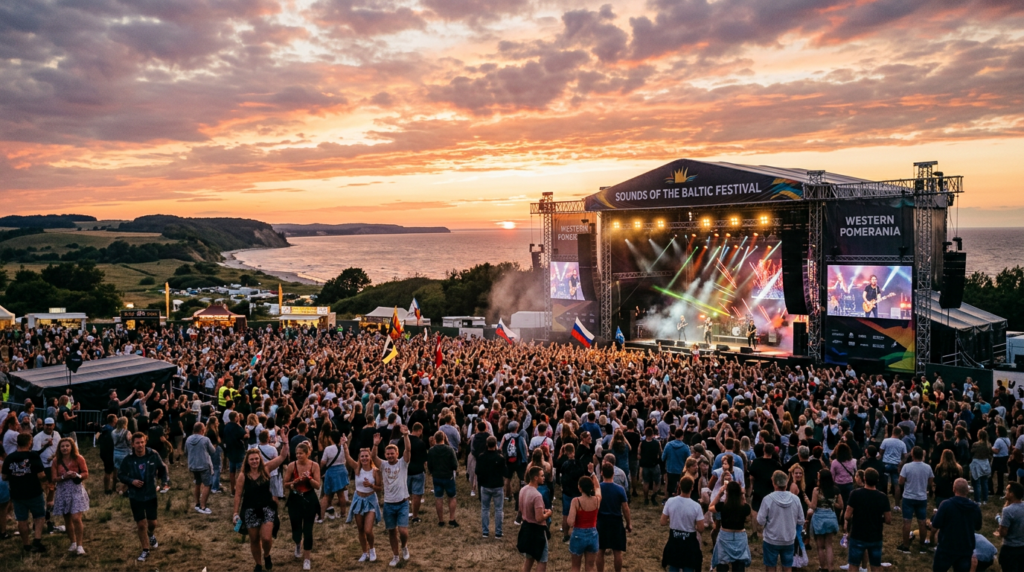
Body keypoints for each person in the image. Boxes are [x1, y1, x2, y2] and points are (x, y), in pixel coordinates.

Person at [233, 442, 289, 572]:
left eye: (256, 459)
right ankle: (258, 564)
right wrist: (235, 513)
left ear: (260, 459)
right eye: (252, 459)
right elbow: (238, 495)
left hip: (267, 508)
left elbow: (282, 457)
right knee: (254, 539)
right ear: (247, 461)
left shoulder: (266, 469)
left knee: (266, 538)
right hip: (250, 509)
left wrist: (285, 442)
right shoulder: (243, 476)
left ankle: (267, 555)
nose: (254, 461)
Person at [117, 432, 169, 562]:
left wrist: (165, 482)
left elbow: (162, 469)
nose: (140, 445)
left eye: (142, 442)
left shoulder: (153, 454)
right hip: (135, 496)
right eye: (137, 443)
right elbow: (121, 474)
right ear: (132, 445)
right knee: (141, 524)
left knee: (152, 523)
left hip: (150, 493)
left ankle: (151, 534)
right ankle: (145, 550)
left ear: (145, 442)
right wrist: (131, 481)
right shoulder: (128, 458)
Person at [372, 425, 413, 567]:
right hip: (389, 503)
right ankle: (395, 555)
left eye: (392, 453)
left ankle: (404, 546)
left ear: (397, 454)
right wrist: (375, 445)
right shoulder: (383, 465)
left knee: (402, 531)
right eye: (387, 454)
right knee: (391, 531)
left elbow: (408, 450)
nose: (390, 456)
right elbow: (373, 457)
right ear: (385, 455)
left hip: (402, 502)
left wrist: (406, 435)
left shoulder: (403, 463)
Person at [1, 432, 47, 554]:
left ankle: (26, 545)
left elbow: (4, 477)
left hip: (17, 493)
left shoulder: (10, 458)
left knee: (22, 519)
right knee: (39, 516)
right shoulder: (33, 456)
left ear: (17, 442)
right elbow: (41, 475)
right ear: (29, 442)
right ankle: (37, 540)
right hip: (34, 491)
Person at [844, 468, 891, 572]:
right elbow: (888, 519)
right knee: (875, 565)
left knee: (853, 565)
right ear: (877, 480)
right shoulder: (883, 497)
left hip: (858, 535)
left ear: (864, 478)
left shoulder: (855, 494)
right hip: (875, 536)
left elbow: (847, 516)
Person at [283, 441, 321, 570]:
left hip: (309, 499)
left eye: (301, 453)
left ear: (308, 453)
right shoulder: (291, 465)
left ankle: (307, 558)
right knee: (296, 528)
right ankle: (298, 542)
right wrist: (293, 483)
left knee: (308, 530)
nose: (298, 456)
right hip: (295, 499)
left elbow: (318, 485)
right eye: (297, 453)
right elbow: (285, 484)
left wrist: (309, 479)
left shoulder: (314, 465)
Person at [757, 470, 804, 572]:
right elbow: (801, 520)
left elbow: (760, 520)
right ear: (786, 483)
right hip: (789, 538)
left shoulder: (768, 499)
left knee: (770, 566)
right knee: (787, 566)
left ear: (773, 482)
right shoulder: (795, 499)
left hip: (771, 538)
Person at [931, 478, 982, 572]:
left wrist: (935, 515)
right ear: (967, 491)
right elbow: (978, 527)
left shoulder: (946, 505)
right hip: (965, 548)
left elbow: (935, 524)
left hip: (946, 547)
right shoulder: (974, 508)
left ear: (953, 489)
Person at [345, 436, 382, 562]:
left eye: (367, 456)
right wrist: (345, 444)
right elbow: (347, 457)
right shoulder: (357, 468)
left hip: (371, 500)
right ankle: (364, 552)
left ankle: (372, 549)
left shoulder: (375, 471)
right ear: (359, 458)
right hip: (358, 499)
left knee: (368, 529)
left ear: (370, 457)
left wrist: (371, 485)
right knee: (360, 529)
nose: (364, 458)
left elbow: (379, 488)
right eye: (362, 456)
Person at [52, 436, 89, 555]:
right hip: (62, 491)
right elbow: (53, 478)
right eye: (62, 446)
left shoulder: (78, 458)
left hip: (76, 489)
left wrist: (77, 475)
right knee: (67, 518)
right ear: (59, 448)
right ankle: (72, 542)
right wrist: (63, 477)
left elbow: (85, 473)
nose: (65, 448)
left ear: (72, 447)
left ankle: (80, 545)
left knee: (76, 518)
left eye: (67, 446)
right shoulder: (56, 461)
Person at [661, 475, 705, 572]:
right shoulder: (696, 506)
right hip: (689, 541)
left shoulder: (670, 501)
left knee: (673, 566)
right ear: (692, 488)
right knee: (688, 566)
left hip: (674, 539)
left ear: (679, 486)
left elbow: (663, 522)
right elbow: (701, 528)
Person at [896, 446, 933, 554]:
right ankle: (922, 546)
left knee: (907, 522)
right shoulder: (927, 467)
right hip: (921, 497)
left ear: (912, 455)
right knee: (922, 522)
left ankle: (906, 545)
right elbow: (931, 482)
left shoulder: (907, 467)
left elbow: (901, 481)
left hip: (908, 497)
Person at [709, 479, 752, 572]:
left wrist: (720, 494)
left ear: (727, 493)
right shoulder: (744, 508)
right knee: (739, 565)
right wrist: (742, 494)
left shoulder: (722, 506)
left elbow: (710, 507)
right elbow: (748, 514)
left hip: (725, 535)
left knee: (722, 564)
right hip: (740, 537)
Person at [596, 462, 630, 572]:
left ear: (601, 473)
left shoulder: (598, 489)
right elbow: (625, 508)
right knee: (617, 551)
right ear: (613, 473)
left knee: (600, 550)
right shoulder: (620, 489)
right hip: (616, 522)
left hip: (601, 522)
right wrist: (628, 523)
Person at [518, 466, 552, 572]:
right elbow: (539, 518)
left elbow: (520, 509)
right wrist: (548, 514)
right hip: (537, 531)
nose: (544, 477)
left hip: (526, 527)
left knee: (529, 558)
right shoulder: (537, 496)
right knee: (542, 560)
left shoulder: (523, 490)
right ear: (536, 477)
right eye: (542, 476)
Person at [809, 469, 844, 572]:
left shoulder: (816, 490)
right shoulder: (835, 490)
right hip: (831, 516)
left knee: (820, 546)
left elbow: (814, 506)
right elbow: (841, 505)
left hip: (819, 517)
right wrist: (832, 503)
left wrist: (808, 502)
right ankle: (831, 568)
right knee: (829, 545)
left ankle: (823, 568)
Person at [567, 473, 602, 572]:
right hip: (593, 534)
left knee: (575, 567)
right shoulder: (597, 500)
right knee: (590, 566)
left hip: (578, 534)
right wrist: (593, 474)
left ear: (580, 488)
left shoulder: (576, 501)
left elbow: (570, 522)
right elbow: (598, 488)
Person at [476, 435, 506, 538]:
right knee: (498, 509)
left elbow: (477, 471)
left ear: (486, 444)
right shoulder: (500, 458)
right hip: (497, 485)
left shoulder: (481, 457)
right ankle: (498, 532)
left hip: (485, 485)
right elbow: (505, 472)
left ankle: (485, 531)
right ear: (495, 445)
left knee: (485, 508)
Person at [428, 430, 459, 527]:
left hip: (437, 476)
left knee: (438, 498)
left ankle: (441, 520)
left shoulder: (431, 450)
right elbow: (455, 465)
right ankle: (452, 518)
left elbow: (429, 465)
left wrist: (432, 471)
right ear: (444, 438)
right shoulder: (450, 450)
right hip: (448, 476)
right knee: (452, 497)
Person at [185, 421, 215, 514]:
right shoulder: (205, 440)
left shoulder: (188, 439)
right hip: (203, 465)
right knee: (207, 484)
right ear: (202, 430)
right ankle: (203, 506)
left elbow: (186, 452)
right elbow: (212, 451)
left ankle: (197, 504)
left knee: (198, 483)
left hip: (193, 465)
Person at [319, 431, 349, 521]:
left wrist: (320, 469)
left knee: (327, 494)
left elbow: (323, 462)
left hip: (331, 471)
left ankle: (321, 516)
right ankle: (343, 513)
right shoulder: (344, 447)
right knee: (341, 494)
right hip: (342, 469)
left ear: (330, 438)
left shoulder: (328, 449)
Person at [997, 481, 1024, 572]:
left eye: (1007, 491)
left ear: (1012, 494)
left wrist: (1000, 528)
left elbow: (1003, 533)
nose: (1005, 492)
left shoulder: (1008, 510)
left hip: (1010, 549)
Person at [662, 429, 690, 498]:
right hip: (681, 471)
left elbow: (663, 458)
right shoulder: (685, 447)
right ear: (682, 436)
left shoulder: (668, 445)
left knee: (669, 487)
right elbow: (689, 459)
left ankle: (667, 499)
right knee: (679, 487)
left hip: (670, 469)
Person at [638, 427, 662, 505]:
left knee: (646, 482)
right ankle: (653, 497)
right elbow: (660, 452)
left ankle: (646, 498)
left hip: (645, 465)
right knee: (656, 482)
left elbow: (639, 454)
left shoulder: (642, 443)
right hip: (654, 464)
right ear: (652, 434)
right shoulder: (657, 443)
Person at [96, 413, 117, 494]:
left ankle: (108, 488)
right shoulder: (112, 431)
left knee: (108, 470)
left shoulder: (103, 428)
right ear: (114, 420)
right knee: (110, 471)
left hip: (103, 451)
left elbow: (97, 437)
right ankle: (109, 489)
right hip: (110, 452)